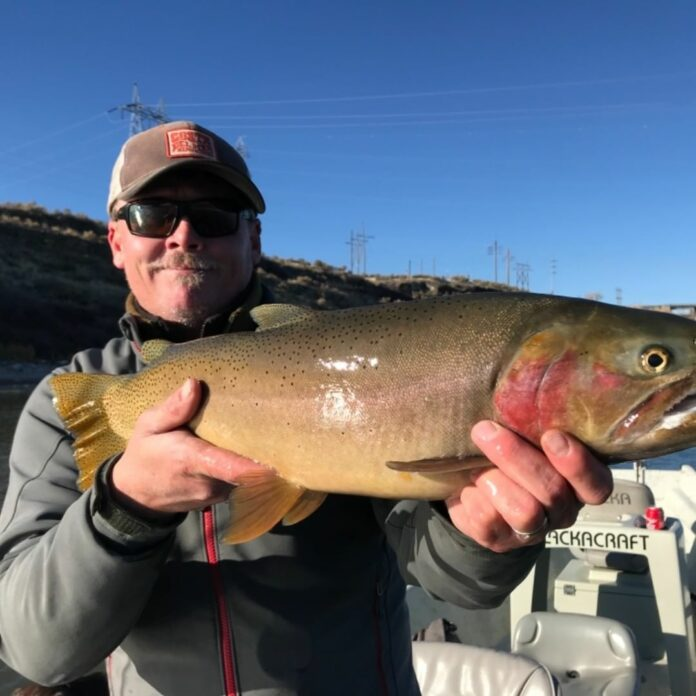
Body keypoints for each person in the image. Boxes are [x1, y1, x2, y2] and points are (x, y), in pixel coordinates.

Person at [0, 121, 612, 696]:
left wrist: (488, 537)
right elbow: (36, 651)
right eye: (153, 214)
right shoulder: (76, 400)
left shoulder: (371, 365)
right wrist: (126, 505)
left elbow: (454, 580)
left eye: (213, 215)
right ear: (115, 240)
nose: (183, 235)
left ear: (254, 238)